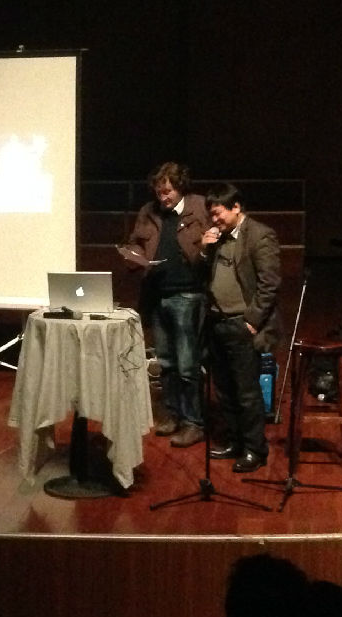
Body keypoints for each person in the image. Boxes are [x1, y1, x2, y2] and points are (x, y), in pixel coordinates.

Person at [123, 161, 210, 447]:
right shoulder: (148, 212)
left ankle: (193, 422)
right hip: (157, 295)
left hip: (188, 295)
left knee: (187, 364)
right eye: (159, 192)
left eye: (168, 191)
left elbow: (214, 243)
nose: (163, 197)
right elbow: (136, 242)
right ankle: (172, 415)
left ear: (180, 187)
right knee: (167, 363)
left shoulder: (199, 206)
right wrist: (133, 255)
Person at [200, 183, 281, 473]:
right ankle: (235, 442)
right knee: (224, 390)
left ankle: (255, 449)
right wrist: (204, 250)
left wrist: (252, 322)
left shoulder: (260, 235)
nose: (214, 220)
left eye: (218, 213)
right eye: (211, 215)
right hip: (216, 322)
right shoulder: (217, 237)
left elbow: (269, 284)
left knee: (247, 392)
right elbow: (204, 276)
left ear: (236, 207)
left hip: (241, 325)